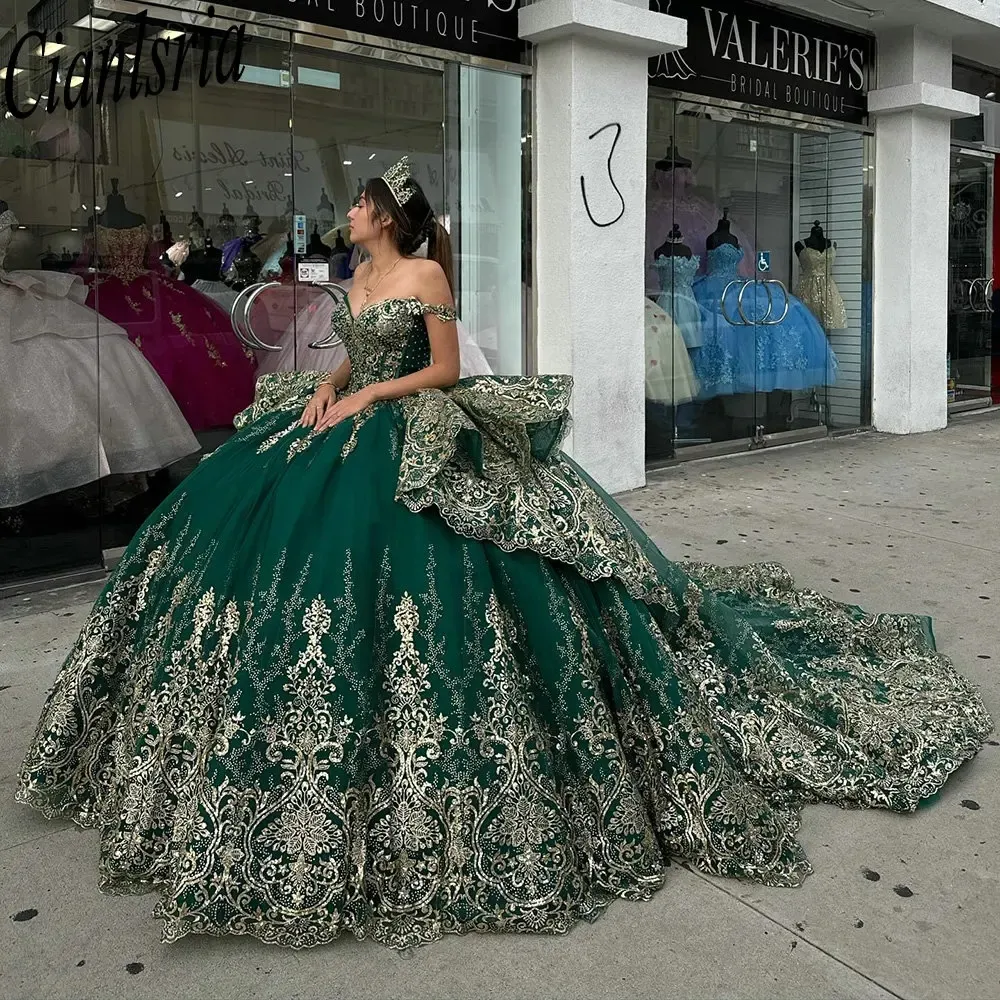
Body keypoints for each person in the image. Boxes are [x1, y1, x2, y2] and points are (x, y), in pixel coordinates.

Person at [17, 157, 993, 951]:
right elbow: (356, 344)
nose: (347, 215)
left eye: (358, 205)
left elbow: (437, 369)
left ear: (388, 220)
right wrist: (326, 389)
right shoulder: (359, 277)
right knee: (255, 553)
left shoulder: (427, 275)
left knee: (472, 577)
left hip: (419, 428)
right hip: (343, 426)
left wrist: (363, 399)